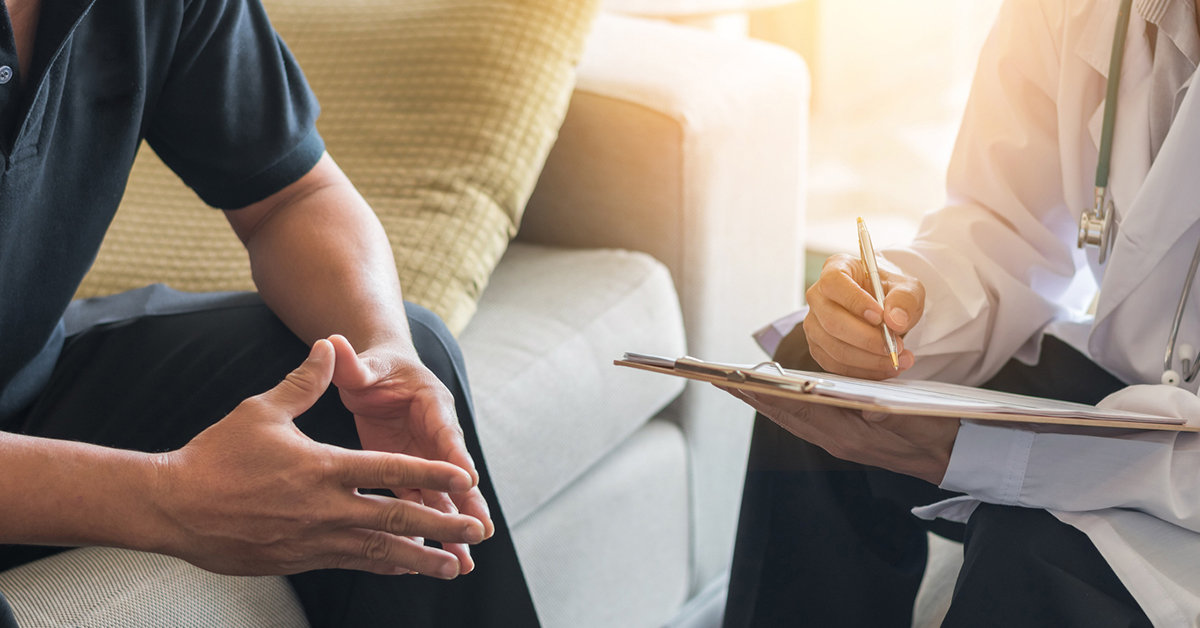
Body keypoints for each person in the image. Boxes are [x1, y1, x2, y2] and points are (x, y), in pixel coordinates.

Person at [0, 0, 538, 626]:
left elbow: (292, 196)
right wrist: (165, 497)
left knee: (367, 371)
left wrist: (381, 348)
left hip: (25, 381)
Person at [722, 0, 1200, 625]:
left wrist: (1001, 455)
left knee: (1031, 552)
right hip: (1138, 376)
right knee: (820, 386)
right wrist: (898, 308)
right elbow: (1004, 223)